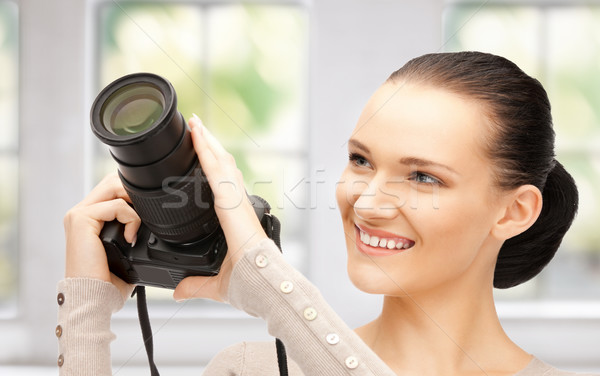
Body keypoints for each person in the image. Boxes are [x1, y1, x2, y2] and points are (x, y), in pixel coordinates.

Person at [57, 52, 598, 376]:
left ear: (514, 210)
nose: (365, 203)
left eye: (423, 177)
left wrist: (268, 284)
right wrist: (87, 311)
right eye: (361, 160)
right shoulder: (254, 369)